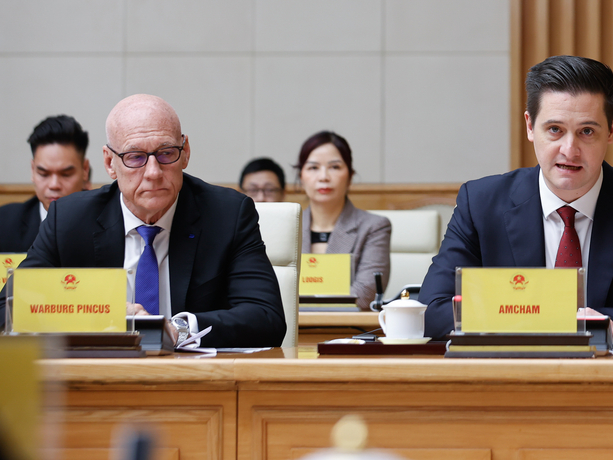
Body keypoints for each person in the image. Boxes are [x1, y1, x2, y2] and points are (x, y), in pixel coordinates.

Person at [419, 55, 613, 348]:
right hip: (509, 381)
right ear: (530, 126)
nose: (569, 150)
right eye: (555, 130)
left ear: (611, 130)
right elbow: (433, 310)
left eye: (587, 131)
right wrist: (562, 321)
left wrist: (594, 323)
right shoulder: (482, 203)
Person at [0, 95, 285, 347]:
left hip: (196, 386)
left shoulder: (228, 215)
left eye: (166, 154)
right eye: (135, 157)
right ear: (110, 163)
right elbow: (7, 309)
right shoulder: (69, 219)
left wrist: (177, 329)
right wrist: (96, 317)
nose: (153, 172)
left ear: (185, 153)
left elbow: (267, 317)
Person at [297, 131, 391, 309]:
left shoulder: (374, 227)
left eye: (334, 167)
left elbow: (365, 294)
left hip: (349, 333)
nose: (324, 177)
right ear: (301, 177)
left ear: (350, 176)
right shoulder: (286, 228)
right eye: (313, 168)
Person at [0, 115, 90, 252]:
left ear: (85, 170)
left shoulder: (110, 222)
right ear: (32, 170)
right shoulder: (5, 223)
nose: (54, 185)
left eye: (66, 174)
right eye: (43, 174)